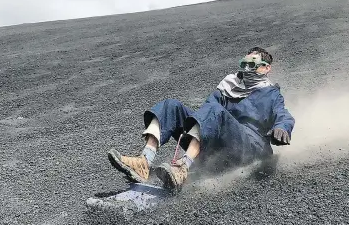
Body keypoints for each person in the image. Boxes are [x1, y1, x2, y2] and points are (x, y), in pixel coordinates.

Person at [108, 47, 295, 191]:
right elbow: (207, 112)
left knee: (215, 111)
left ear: (266, 68)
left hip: (250, 148)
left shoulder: (271, 94)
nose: (247, 69)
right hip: (219, 144)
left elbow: (283, 115)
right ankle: (144, 161)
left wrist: (282, 128)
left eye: (253, 65)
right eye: (244, 65)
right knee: (171, 106)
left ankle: (183, 167)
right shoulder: (228, 85)